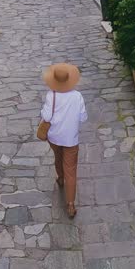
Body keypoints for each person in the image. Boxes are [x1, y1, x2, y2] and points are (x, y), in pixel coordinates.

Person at [41, 63, 87, 218]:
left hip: (54, 137)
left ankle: (60, 178)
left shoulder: (51, 95)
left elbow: (46, 117)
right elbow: (83, 117)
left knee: (58, 158)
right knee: (71, 170)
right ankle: (71, 205)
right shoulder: (77, 96)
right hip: (71, 139)